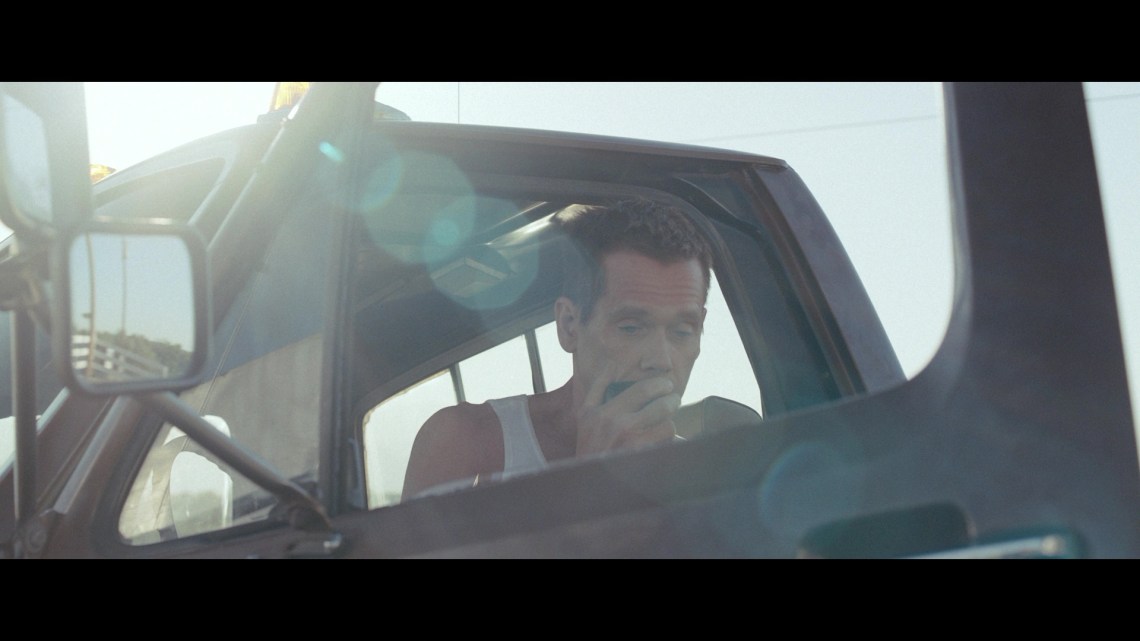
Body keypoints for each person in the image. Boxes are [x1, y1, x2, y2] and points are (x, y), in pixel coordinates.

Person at [401, 197, 714, 499]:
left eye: (682, 331)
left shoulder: (702, 479)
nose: (660, 360)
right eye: (631, 328)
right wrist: (588, 483)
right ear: (569, 325)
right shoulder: (466, 439)